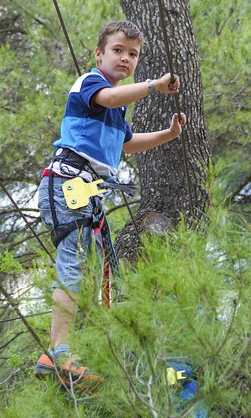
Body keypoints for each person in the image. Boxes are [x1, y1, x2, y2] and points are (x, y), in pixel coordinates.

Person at [34, 20, 186, 386]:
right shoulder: (90, 84)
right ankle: (58, 354)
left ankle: (82, 353)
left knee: (99, 276)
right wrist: (152, 86)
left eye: (133, 54)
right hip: (66, 182)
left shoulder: (117, 112)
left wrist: (168, 134)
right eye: (118, 50)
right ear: (99, 54)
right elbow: (109, 97)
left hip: (85, 191)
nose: (126, 58)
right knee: (72, 264)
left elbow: (126, 142)